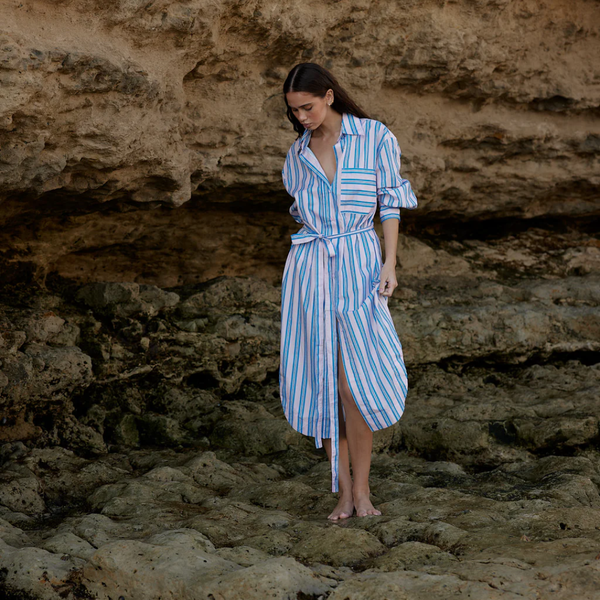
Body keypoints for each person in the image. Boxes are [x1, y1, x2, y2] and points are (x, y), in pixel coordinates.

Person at [279, 62, 418, 521]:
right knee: (325, 383)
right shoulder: (297, 157)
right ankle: (343, 495)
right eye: (295, 111)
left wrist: (389, 261)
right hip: (311, 269)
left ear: (329, 97)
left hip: (359, 263)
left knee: (353, 382)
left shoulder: (375, 137)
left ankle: (363, 490)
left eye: (308, 107)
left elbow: (391, 201)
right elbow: (302, 216)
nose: (302, 117)